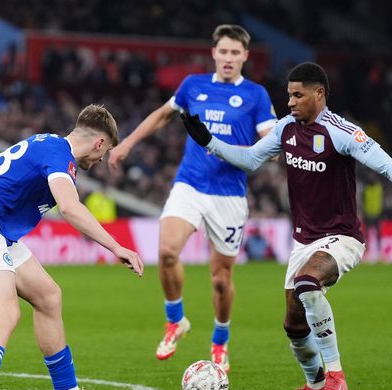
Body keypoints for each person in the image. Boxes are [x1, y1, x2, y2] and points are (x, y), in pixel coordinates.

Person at [180, 62, 392, 390]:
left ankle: (337, 377)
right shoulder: (285, 129)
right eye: (289, 94)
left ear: (319, 94)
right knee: (293, 323)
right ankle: (315, 383)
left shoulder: (342, 132)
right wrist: (209, 141)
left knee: (308, 284)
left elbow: (389, 167)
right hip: (304, 241)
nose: (290, 102)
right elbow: (249, 160)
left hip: (343, 237)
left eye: (297, 95)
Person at [0, 104, 143, 390]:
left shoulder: (48, 145)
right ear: (100, 143)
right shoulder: (57, 154)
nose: (101, 160)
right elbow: (69, 208)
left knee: (49, 296)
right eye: (104, 154)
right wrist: (116, 246)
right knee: (5, 312)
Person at [108, 24, 276, 372]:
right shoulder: (193, 86)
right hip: (190, 184)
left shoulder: (256, 96)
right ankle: (175, 320)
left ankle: (220, 341)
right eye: (223, 51)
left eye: (235, 53)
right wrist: (126, 143)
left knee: (220, 279)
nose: (228, 58)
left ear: (245, 56)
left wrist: (243, 150)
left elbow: (269, 145)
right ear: (214, 53)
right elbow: (162, 116)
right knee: (167, 251)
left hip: (229, 195)